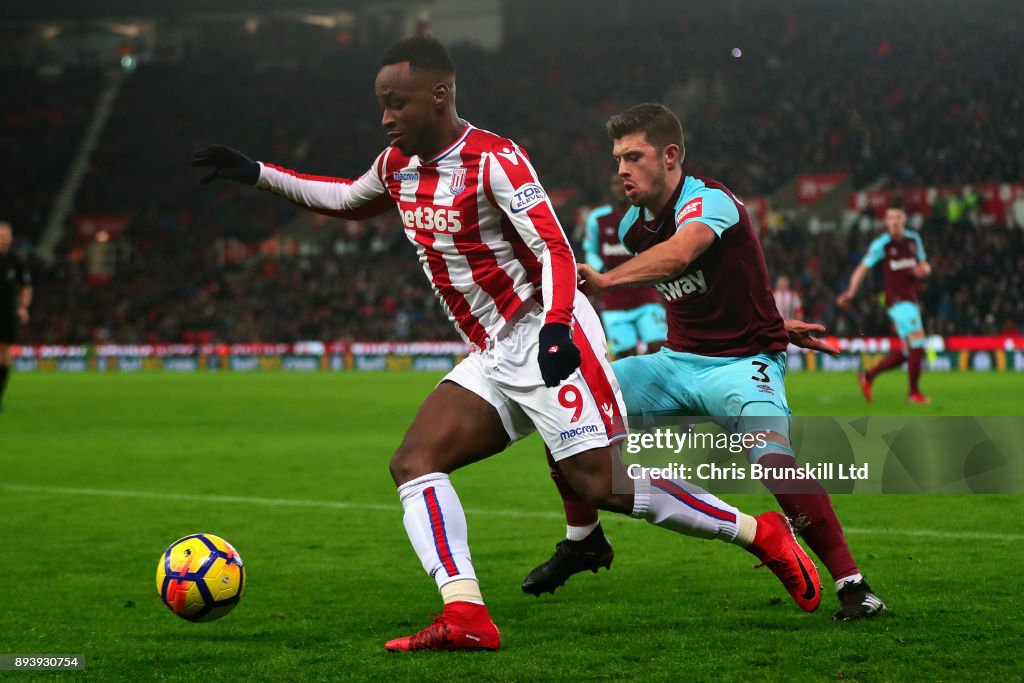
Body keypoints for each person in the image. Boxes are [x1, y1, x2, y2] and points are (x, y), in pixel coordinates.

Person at [193, 38, 822, 651]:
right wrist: (256, 174)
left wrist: (554, 328)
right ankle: (465, 612)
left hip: (550, 331)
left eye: (397, 103)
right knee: (414, 462)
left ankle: (760, 533)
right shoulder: (396, 168)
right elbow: (343, 200)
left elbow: (553, 247)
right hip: (494, 348)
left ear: (438, 96)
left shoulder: (496, 159)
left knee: (601, 483)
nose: (386, 118)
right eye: (382, 104)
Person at [573, 103, 884, 621]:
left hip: (743, 366)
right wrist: (776, 320)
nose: (621, 170)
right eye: (617, 159)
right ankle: (581, 538)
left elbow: (679, 256)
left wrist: (607, 280)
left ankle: (853, 585)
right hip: (673, 365)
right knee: (568, 402)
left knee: (772, 458)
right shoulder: (632, 225)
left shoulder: (709, 200)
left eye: (634, 156)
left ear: (670, 156)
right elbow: (717, 288)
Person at [520, 175, 668, 596]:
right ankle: (617, 421)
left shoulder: (644, 216)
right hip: (616, 307)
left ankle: (644, 412)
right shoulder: (599, 219)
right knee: (617, 365)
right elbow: (581, 254)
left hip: (644, 297)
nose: (619, 186)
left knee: (657, 350)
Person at [837, 201, 932, 403]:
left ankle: (868, 376)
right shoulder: (882, 244)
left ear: (904, 219)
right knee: (918, 341)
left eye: (898, 217)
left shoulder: (914, 239)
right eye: (891, 218)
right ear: (886, 221)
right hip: (895, 300)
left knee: (908, 351)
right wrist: (851, 290)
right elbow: (862, 268)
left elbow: (924, 264)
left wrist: (924, 269)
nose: (895, 222)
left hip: (911, 298)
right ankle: (914, 393)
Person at [0, 221, 31, 412]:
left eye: (5, 237)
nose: (2, 240)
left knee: (4, 355)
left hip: (7, 313)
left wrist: (23, 307)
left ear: (11, 239)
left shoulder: (15, 260)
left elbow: (26, 286)